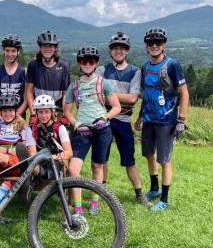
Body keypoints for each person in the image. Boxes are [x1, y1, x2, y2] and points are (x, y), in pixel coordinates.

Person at [134, 28, 189, 211]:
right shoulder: (145, 66)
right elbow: (147, 94)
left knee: (164, 160)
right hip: (149, 119)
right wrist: (140, 117)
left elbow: (184, 92)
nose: (155, 45)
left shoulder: (172, 65)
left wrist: (181, 119)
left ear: (164, 44)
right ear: (146, 46)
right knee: (149, 154)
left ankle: (164, 200)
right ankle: (155, 188)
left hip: (166, 120)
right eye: (151, 42)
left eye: (158, 42)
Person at [64, 46, 121, 216]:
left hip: (102, 130)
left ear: (96, 63)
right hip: (82, 130)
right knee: (73, 170)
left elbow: (117, 107)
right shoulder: (73, 86)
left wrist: (105, 118)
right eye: (84, 61)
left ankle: (95, 201)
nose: (87, 64)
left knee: (97, 166)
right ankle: (78, 208)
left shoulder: (104, 83)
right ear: (80, 63)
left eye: (91, 61)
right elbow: (66, 111)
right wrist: (76, 124)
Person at [97, 32, 150, 206]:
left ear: (127, 51)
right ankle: (102, 191)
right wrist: (121, 97)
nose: (118, 51)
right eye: (115, 48)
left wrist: (109, 96)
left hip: (124, 120)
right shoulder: (103, 70)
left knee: (129, 159)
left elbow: (133, 98)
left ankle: (139, 193)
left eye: (122, 48)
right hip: (105, 119)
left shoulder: (135, 71)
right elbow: (96, 95)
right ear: (111, 51)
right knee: (102, 157)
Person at [26, 31, 70, 123]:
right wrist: (33, 114)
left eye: (50, 46)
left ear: (55, 48)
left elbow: (65, 93)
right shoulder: (33, 65)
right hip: (39, 110)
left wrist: (65, 115)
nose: (47, 49)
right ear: (40, 48)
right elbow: (29, 91)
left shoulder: (63, 66)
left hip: (57, 111)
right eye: (44, 46)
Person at [0, 95, 36, 176]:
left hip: (17, 159)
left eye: (10, 110)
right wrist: (7, 151)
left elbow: (25, 148)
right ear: (1, 112)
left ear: (15, 111)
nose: (8, 114)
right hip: (1, 158)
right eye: (5, 111)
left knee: (2, 160)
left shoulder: (22, 126)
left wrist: (8, 152)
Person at [0, 35, 27, 123]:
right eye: (7, 51)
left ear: (18, 52)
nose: (10, 54)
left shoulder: (24, 72)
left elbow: (27, 99)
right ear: (4, 51)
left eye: (13, 51)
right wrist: (1, 116)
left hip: (18, 120)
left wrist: (16, 116)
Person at [31, 94, 73, 177]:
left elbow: (69, 152)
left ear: (52, 112)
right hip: (38, 161)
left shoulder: (60, 128)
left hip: (55, 162)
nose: (43, 115)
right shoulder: (33, 129)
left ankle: (42, 173)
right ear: (36, 113)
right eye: (40, 112)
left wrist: (52, 157)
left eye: (46, 112)